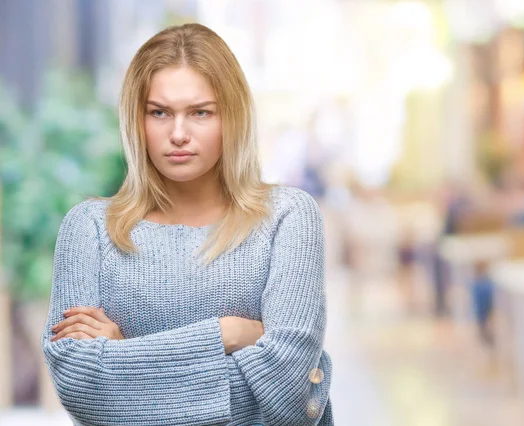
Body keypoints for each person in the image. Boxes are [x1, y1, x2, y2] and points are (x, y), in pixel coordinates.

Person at [40, 23, 333, 426]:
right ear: (136, 120)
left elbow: (288, 392)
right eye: (159, 112)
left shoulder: (286, 217)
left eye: (200, 112)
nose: (178, 134)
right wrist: (228, 334)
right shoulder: (89, 228)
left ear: (231, 116)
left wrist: (126, 355)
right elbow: (80, 386)